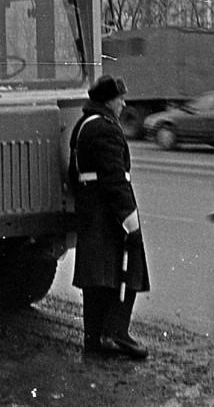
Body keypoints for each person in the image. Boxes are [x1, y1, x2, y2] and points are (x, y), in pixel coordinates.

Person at [69, 74, 150, 360]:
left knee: (96, 278)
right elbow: (115, 179)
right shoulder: (106, 129)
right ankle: (117, 332)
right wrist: (130, 219)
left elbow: (73, 175)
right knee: (128, 270)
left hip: (91, 211)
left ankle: (94, 340)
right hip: (109, 213)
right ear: (108, 100)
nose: (123, 104)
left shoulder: (83, 125)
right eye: (120, 99)